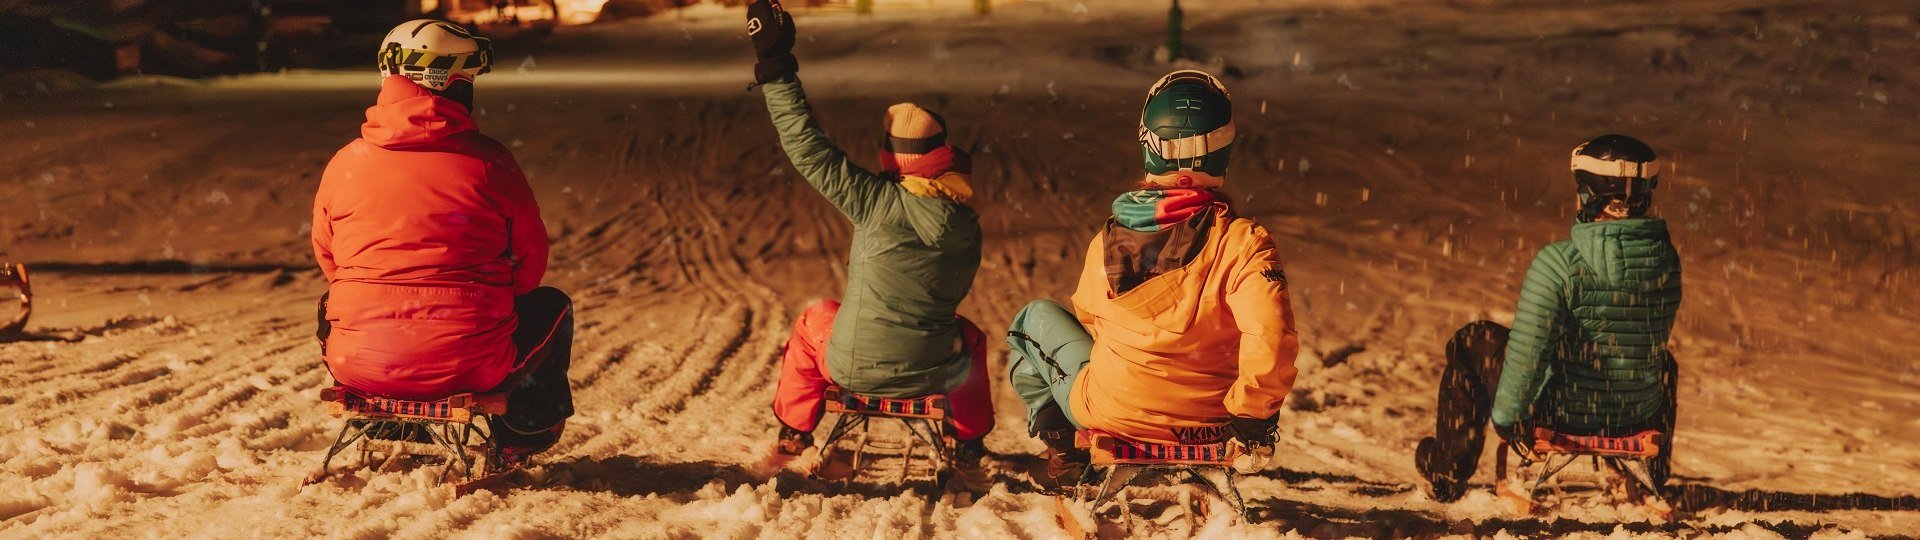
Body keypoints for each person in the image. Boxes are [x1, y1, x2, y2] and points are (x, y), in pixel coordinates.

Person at [1001, 69, 1301, 483]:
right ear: (1224, 150)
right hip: (1215, 420)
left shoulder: (1108, 239)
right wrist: (1252, 417)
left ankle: (1067, 454)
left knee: (1032, 322)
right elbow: (1271, 335)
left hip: (1116, 410)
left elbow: (1093, 326)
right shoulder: (1245, 242)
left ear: (1149, 147)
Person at [744, 1, 994, 482]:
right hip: (933, 372)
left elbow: (806, 146)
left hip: (852, 366)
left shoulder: (875, 201)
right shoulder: (966, 224)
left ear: (892, 158)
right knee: (969, 336)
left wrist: (776, 68)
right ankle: (969, 440)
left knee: (813, 320)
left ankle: (794, 433)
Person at [312, 19, 573, 466]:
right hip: (472, 363)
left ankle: (388, 408)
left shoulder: (345, 163)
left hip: (357, 362)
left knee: (331, 302)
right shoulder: (489, 163)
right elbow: (528, 270)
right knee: (552, 305)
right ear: (451, 84)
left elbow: (330, 260)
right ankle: (524, 431)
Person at [1415, 134, 1683, 502]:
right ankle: (1652, 471)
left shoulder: (1558, 263)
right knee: (1661, 361)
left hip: (1561, 415)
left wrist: (1511, 422)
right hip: (1634, 416)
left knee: (1474, 341)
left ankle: (1447, 471)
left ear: (1588, 191)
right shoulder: (1667, 261)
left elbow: (1529, 355)